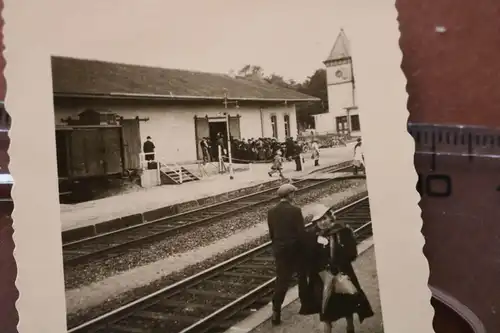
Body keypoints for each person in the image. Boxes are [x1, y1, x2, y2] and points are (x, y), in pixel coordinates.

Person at [299, 206, 374, 333]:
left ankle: (350, 327)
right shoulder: (312, 236)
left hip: (341, 274)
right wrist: (316, 245)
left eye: (324, 218)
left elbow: (352, 253)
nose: (322, 222)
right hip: (322, 279)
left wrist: (337, 256)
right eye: (319, 221)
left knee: (347, 305)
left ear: (330, 217)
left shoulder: (342, 231)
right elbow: (307, 259)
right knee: (325, 313)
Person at [267, 184, 314, 326]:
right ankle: (305, 304)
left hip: (280, 250)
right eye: (294, 193)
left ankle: (276, 311)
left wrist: (279, 246)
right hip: (296, 249)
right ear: (290, 195)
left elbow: (272, 233)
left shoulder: (271, 211)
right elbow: (301, 233)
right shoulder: (295, 210)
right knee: (302, 275)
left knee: (282, 280)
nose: (294, 195)